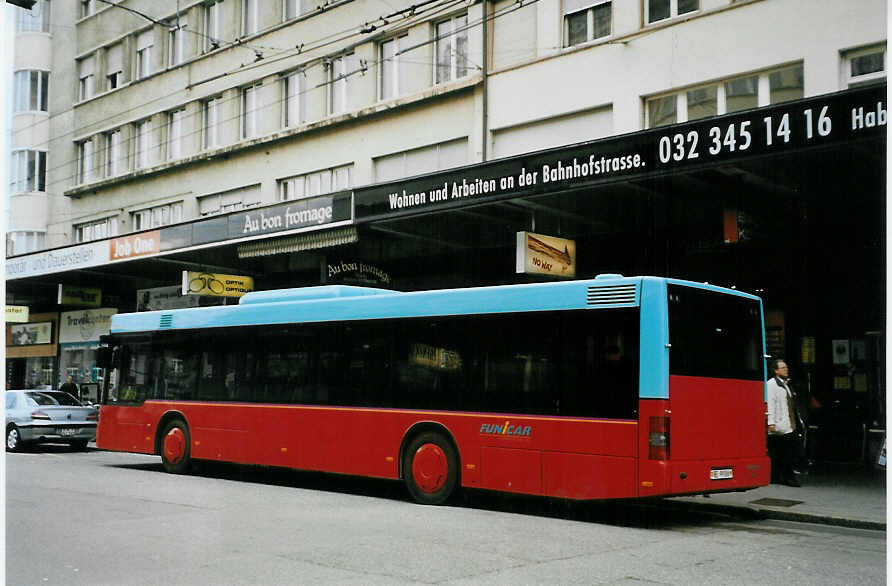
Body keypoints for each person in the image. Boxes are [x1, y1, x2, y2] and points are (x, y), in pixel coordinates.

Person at [766, 359, 802, 487]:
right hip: (779, 425)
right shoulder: (771, 385)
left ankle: (776, 476)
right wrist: (771, 422)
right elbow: (770, 404)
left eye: (786, 367)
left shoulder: (786, 384)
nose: (786, 369)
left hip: (789, 424)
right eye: (782, 368)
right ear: (776, 371)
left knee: (781, 452)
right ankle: (788, 477)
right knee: (786, 452)